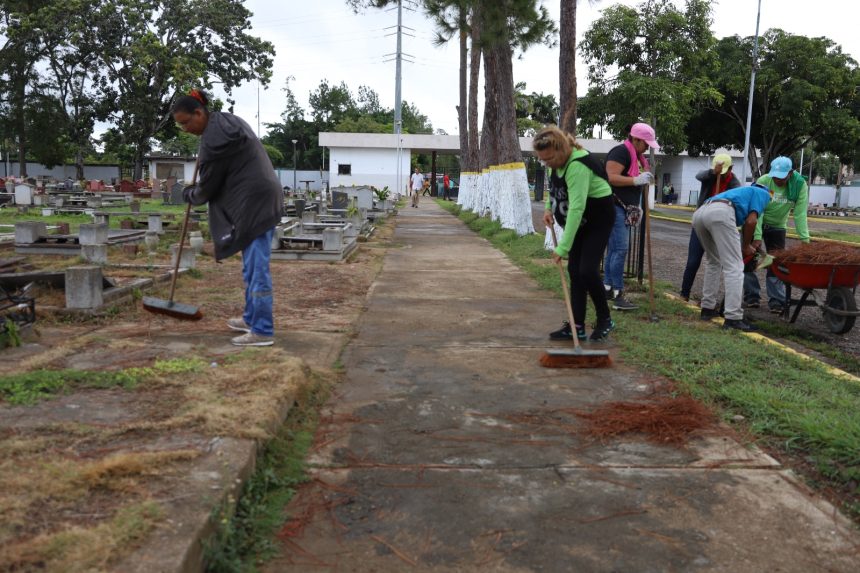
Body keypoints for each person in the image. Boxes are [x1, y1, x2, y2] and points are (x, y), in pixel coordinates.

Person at [173, 89, 282, 347]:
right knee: (250, 266)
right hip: (259, 198)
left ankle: (263, 331)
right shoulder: (225, 123)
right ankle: (251, 317)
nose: (185, 129)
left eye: (186, 122)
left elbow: (207, 188)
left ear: (199, 113)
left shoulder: (214, 140)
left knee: (257, 269)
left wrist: (190, 193)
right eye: (181, 125)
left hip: (254, 204)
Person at [534, 126, 616, 342]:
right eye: (543, 160)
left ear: (561, 149)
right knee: (575, 271)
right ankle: (576, 326)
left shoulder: (578, 165)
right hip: (581, 221)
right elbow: (553, 190)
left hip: (597, 220)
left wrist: (563, 247)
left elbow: (577, 208)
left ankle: (605, 318)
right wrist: (548, 209)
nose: (547, 163)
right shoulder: (557, 163)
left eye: (549, 158)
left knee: (587, 269)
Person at [692, 183, 771, 331]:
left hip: (700, 213)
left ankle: (707, 309)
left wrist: (745, 244)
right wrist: (746, 245)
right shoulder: (763, 194)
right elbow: (751, 221)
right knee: (734, 267)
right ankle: (733, 318)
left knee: (713, 261)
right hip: (721, 213)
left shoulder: (740, 192)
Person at [743, 156, 811, 313]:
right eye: (775, 176)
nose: (778, 180)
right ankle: (752, 296)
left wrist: (804, 240)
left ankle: (776, 300)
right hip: (757, 221)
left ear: (791, 173)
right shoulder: (764, 180)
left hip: (778, 226)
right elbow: (757, 210)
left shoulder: (799, 185)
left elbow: (800, 214)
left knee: (776, 263)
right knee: (749, 258)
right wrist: (757, 236)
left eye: (782, 177)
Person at [603, 122, 658, 310]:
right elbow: (611, 176)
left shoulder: (637, 157)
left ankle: (608, 288)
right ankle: (618, 294)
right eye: (645, 143)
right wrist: (636, 180)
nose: (648, 147)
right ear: (635, 139)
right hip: (614, 206)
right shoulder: (621, 152)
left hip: (624, 208)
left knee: (614, 248)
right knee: (620, 249)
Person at [679, 154, 741, 301]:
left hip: (719, 225)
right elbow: (698, 175)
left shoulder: (734, 183)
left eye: (725, 170)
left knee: (716, 262)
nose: (722, 173)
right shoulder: (709, 177)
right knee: (693, 260)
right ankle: (684, 293)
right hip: (701, 222)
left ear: (731, 168)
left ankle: (713, 300)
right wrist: (713, 172)